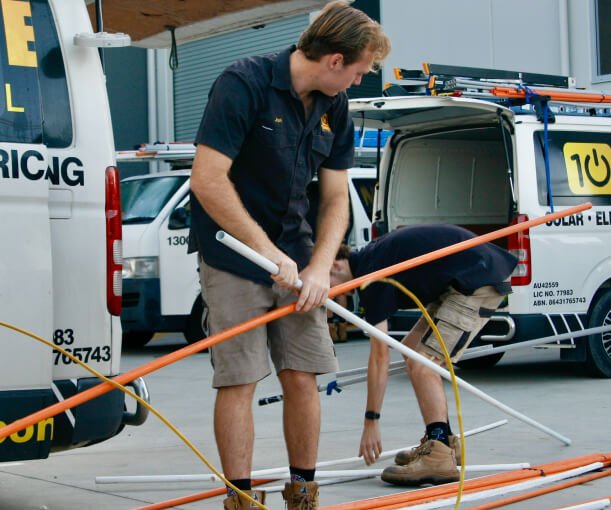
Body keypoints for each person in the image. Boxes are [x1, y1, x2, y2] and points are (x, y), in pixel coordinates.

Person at [188, 2, 390, 509]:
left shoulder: (334, 106)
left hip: (297, 257)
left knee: (303, 373)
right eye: (360, 71)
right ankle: (241, 499)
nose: (360, 82)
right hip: (232, 254)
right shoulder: (243, 84)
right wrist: (265, 251)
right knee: (239, 378)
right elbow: (207, 181)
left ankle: (303, 492)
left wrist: (319, 266)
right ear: (335, 60)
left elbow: (336, 197)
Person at [329, 224, 518, 486]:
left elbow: (379, 356)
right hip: (463, 279)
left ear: (336, 266)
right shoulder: (370, 259)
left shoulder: (372, 275)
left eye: (326, 283)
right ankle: (444, 440)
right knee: (411, 351)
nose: (329, 292)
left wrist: (371, 421)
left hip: (477, 281)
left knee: (423, 365)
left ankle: (438, 454)